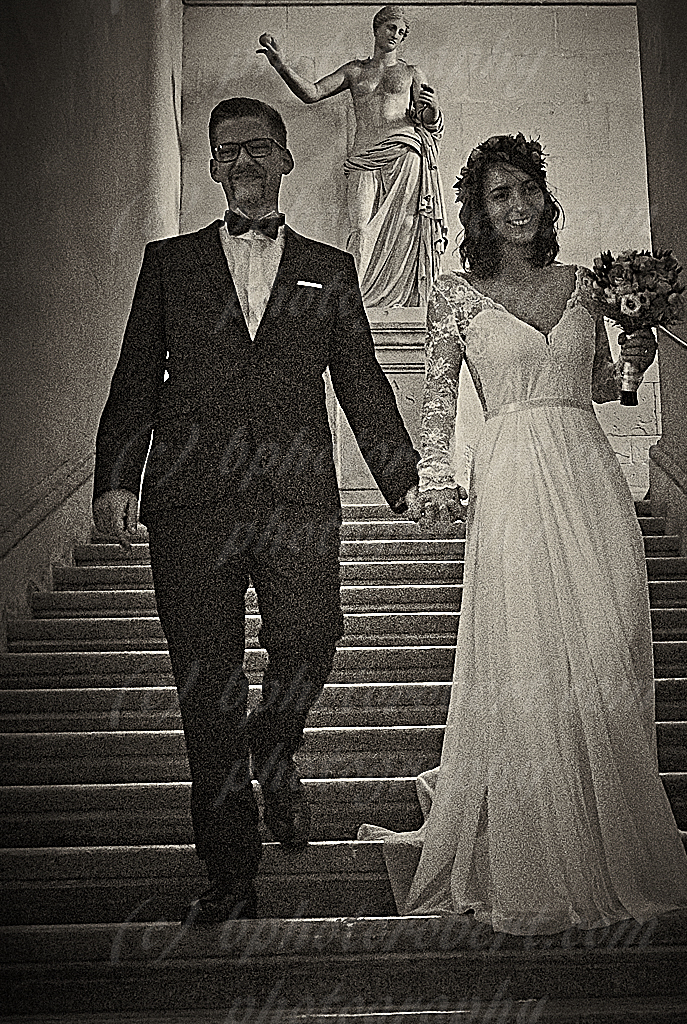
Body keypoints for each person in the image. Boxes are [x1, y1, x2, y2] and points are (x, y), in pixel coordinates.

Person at [359, 133, 687, 934]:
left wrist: (637, 357)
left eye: (527, 190)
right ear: (479, 212)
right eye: (499, 195)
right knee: (530, 656)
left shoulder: (586, 285)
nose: (517, 206)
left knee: (608, 646)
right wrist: (434, 476)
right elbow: (438, 397)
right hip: (511, 476)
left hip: (588, 475)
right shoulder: (456, 294)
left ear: (546, 198)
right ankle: (540, 849)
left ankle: (612, 833)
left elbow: (602, 389)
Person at [92, 96, 420, 925]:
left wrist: (405, 479)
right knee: (207, 689)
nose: (242, 161)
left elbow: (361, 381)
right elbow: (137, 374)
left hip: (295, 500)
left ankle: (276, 745)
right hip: (190, 505)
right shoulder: (169, 264)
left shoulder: (329, 267)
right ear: (212, 166)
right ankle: (229, 869)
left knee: (312, 638)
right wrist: (116, 478)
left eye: (257, 148)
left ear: (285, 159)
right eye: (227, 150)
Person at [257, 5, 447, 307]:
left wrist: (433, 109)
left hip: (404, 152)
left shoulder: (412, 72)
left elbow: (425, 118)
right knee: (360, 229)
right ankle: (358, 300)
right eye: (391, 28)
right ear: (376, 29)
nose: (395, 35)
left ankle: (403, 300)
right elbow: (312, 93)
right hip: (364, 157)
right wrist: (281, 66)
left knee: (407, 226)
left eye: (401, 32)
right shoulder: (355, 71)